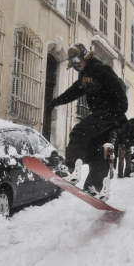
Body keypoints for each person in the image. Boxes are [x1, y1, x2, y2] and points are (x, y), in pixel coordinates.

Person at [48, 43, 128, 201]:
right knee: (95, 148)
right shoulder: (84, 76)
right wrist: (56, 101)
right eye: (72, 62)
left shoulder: (99, 69)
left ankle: (70, 169)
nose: (76, 64)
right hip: (105, 116)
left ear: (86, 56)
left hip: (109, 113)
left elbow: (119, 87)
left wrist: (119, 113)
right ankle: (95, 186)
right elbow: (74, 91)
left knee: (78, 132)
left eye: (78, 59)